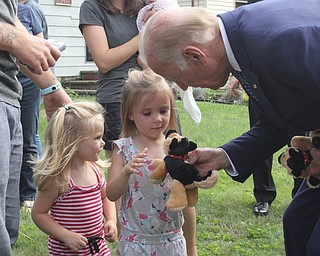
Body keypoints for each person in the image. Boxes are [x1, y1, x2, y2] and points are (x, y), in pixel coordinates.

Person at [139, 1, 320, 255]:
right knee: (299, 223)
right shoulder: (239, 42)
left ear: (195, 55)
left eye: (177, 77)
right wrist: (223, 156)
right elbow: (281, 118)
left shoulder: (278, 43)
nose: (183, 85)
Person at [0, 0, 72, 254]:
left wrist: (51, 87)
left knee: (7, 229)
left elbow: (9, 20)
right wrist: (19, 42)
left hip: (10, 96)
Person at [106, 68, 192, 255]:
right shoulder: (123, 149)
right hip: (136, 243)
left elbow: (187, 202)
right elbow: (111, 194)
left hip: (173, 243)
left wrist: (192, 249)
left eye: (163, 110)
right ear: (130, 114)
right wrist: (126, 172)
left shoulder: (177, 147)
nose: (158, 119)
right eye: (147, 113)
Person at [31, 101, 117, 255]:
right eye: (97, 138)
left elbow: (105, 197)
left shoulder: (94, 169)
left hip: (97, 247)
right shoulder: (59, 179)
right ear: (74, 142)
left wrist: (111, 219)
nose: (103, 142)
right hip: (68, 251)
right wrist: (65, 235)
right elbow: (39, 213)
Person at [79, 0, 144, 160]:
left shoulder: (144, 5)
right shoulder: (92, 7)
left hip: (153, 92)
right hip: (118, 99)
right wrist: (141, 38)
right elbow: (104, 61)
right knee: (122, 168)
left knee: (164, 162)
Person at [229, 75, 276, 216]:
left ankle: (300, 194)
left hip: (294, 83)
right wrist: (238, 75)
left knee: (298, 141)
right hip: (261, 85)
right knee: (260, 139)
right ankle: (263, 196)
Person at [17, 3, 45, 210]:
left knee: (29, 136)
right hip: (6, 81)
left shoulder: (30, 10)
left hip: (28, 82)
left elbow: (40, 48)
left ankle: (28, 193)